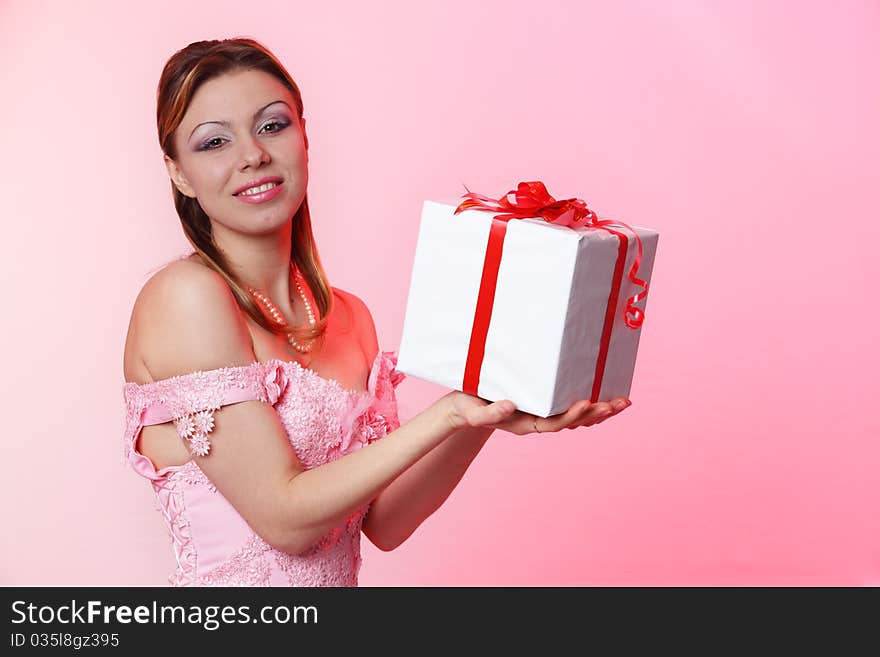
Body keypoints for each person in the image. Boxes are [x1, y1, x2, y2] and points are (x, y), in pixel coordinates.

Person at [121, 37, 632, 587]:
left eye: (272, 125)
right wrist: (449, 415)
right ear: (177, 173)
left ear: (304, 137)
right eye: (214, 142)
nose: (252, 155)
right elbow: (284, 520)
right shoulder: (185, 298)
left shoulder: (349, 317)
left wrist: (481, 409)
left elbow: (386, 522)